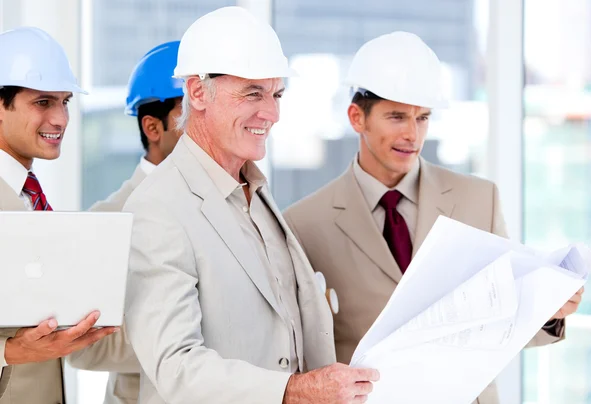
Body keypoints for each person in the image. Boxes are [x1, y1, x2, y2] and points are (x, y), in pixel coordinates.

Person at [283, 31, 583, 404]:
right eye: (396, 117)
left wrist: (549, 311)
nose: (412, 134)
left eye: (422, 118)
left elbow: (507, 317)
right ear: (356, 117)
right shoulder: (304, 224)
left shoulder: (478, 199)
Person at [123, 7, 379, 404]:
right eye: (252, 93)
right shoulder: (157, 208)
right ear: (197, 91)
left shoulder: (256, 192)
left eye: (276, 94)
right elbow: (176, 367)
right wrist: (296, 391)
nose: (272, 114)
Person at [0, 26, 117, 404]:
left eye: (65, 102)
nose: (61, 118)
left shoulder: (29, 196)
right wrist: (9, 351)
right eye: (43, 102)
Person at [67, 41, 184, 404]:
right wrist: (190, 343)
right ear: (153, 127)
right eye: (192, 116)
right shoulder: (106, 222)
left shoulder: (241, 204)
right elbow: (83, 349)